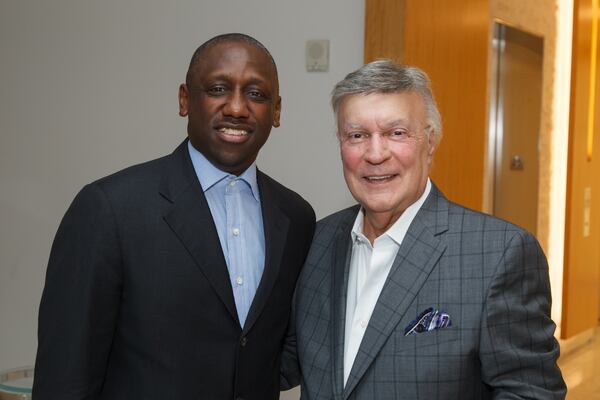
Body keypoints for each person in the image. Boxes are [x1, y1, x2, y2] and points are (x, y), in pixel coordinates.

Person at [33, 33, 315, 400]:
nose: (236, 108)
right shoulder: (109, 209)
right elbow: (65, 379)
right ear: (185, 100)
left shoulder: (296, 218)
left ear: (276, 111)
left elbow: (279, 351)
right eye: (218, 89)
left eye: (256, 94)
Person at [293, 60, 566, 399]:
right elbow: (274, 358)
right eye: (357, 135)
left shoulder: (499, 254)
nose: (375, 154)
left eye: (396, 133)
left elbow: (530, 392)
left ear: (431, 141)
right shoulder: (315, 242)